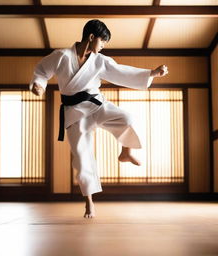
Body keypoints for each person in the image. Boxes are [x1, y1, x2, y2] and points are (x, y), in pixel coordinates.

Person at [29, 19, 168, 218]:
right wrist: (38, 85)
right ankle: (89, 203)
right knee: (82, 159)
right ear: (91, 37)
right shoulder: (61, 56)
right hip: (74, 113)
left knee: (127, 118)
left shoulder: (99, 60)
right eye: (102, 42)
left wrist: (153, 73)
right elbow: (41, 70)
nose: (103, 47)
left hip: (96, 105)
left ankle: (126, 152)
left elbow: (122, 72)